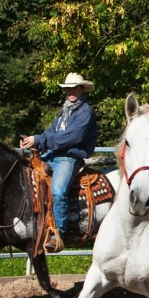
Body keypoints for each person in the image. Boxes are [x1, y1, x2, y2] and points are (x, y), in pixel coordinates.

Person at [20, 72, 99, 253]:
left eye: (74, 88)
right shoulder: (64, 111)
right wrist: (32, 141)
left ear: (81, 89)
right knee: (28, 175)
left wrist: (39, 140)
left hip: (68, 157)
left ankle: (59, 234)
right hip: (53, 154)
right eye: (67, 88)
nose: (70, 91)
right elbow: (51, 133)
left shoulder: (85, 111)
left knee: (58, 190)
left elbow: (71, 137)